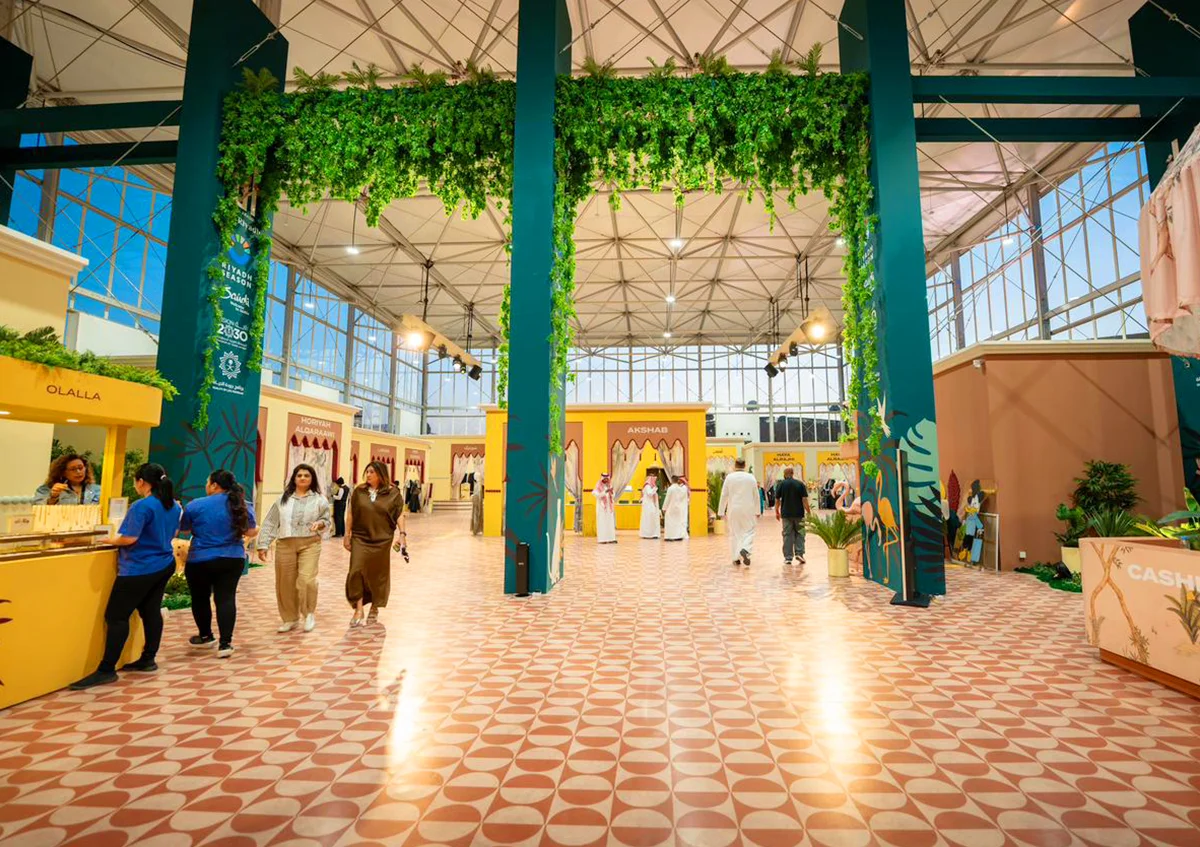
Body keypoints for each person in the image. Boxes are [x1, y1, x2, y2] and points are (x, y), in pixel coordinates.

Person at [70, 464, 180, 690]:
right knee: (151, 611)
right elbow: (174, 532)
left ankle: (106, 669)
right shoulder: (173, 505)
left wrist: (108, 540)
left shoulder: (142, 506)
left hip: (139, 568)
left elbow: (129, 538)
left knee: (116, 616)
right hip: (163, 564)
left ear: (141, 482)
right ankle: (148, 658)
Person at [181, 469, 257, 659]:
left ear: (214, 485)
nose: (206, 486)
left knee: (200, 598)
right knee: (226, 598)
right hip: (232, 558)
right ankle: (225, 644)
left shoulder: (195, 505)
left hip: (200, 559)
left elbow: (184, 529)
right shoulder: (242, 504)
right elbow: (250, 531)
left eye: (207, 482)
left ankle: (205, 636)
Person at [256, 464, 331, 634]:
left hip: (310, 543)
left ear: (312, 479)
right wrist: (263, 544)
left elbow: (327, 520)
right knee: (285, 582)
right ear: (294, 479)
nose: (303, 478)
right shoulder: (283, 499)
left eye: (306, 475)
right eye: (299, 475)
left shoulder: (320, 500)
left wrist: (320, 524)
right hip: (285, 544)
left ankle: (309, 613)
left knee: (307, 579)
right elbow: (271, 522)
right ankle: (290, 618)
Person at [344, 461, 406, 627]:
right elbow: (351, 513)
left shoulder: (393, 493)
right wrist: (347, 534)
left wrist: (402, 534)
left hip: (382, 539)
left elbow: (399, 514)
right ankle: (358, 609)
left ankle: (375, 606)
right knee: (356, 570)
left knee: (377, 574)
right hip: (360, 537)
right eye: (367, 471)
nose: (368, 474)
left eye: (372, 472)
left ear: (381, 474)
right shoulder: (359, 491)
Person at [718, 459, 759, 566]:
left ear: (735, 465)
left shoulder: (729, 477)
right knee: (749, 531)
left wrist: (721, 511)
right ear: (745, 465)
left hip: (733, 509)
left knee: (735, 533)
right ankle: (746, 549)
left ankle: (736, 558)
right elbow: (756, 495)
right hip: (748, 509)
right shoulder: (751, 477)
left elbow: (724, 495)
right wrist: (758, 510)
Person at [775, 466, 811, 566]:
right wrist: (808, 512)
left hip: (786, 514)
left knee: (787, 535)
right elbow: (804, 500)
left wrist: (777, 511)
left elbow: (777, 500)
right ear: (792, 473)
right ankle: (799, 553)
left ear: (784, 474)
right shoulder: (800, 484)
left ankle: (788, 557)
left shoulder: (781, 484)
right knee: (800, 533)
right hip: (799, 513)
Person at [34, 453, 101, 505]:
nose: (78, 472)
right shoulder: (46, 489)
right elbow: (39, 509)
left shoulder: (98, 490)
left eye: (80, 468)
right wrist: (53, 497)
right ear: (63, 472)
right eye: (73, 469)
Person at [662, 475, 689, 541]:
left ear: (672, 480)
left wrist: (664, 508)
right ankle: (678, 536)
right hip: (678, 508)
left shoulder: (670, 488)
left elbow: (667, 499)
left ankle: (670, 537)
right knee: (677, 523)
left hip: (671, 508)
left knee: (670, 522)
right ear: (677, 481)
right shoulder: (681, 489)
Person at [594, 473, 617, 543]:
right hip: (602, 508)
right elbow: (597, 495)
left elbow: (613, 495)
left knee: (610, 523)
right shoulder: (598, 486)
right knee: (602, 523)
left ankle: (611, 539)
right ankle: (602, 539)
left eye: (607, 479)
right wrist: (605, 492)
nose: (606, 480)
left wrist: (611, 492)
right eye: (605, 479)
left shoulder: (609, 485)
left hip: (609, 508)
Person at [639, 473, 660, 539]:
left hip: (651, 505)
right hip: (648, 506)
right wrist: (655, 488)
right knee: (648, 520)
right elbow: (650, 493)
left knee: (652, 520)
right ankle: (648, 534)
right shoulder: (647, 486)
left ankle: (653, 534)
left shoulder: (650, 486)